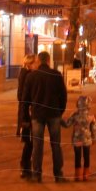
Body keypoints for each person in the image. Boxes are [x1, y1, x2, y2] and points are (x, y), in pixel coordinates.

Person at [22, 51, 67, 182]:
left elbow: (25, 100)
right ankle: (58, 174)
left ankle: (37, 175)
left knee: (37, 146)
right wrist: (60, 111)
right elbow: (63, 96)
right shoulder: (56, 75)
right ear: (48, 60)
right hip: (53, 114)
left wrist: (25, 117)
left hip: (37, 115)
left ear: (38, 61)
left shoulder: (31, 77)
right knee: (56, 145)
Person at [62, 93, 96, 181]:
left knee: (77, 157)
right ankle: (86, 174)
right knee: (86, 157)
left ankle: (77, 175)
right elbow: (93, 129)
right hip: (87, 140)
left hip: (77, 140)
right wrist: (94, 139)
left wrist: (60, 120)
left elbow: (67, 124)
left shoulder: (74, 115)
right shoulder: (91, 117)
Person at [16, 53, 37, 179]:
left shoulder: (24, 73)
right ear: (29, 63)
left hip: (26, 113)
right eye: (35, 63)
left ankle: (26, 167)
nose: (37, 65)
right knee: (29, 142)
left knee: (29, 142)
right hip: (27, 114)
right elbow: (22, 97)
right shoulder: (27, 75)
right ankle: (25, 167)